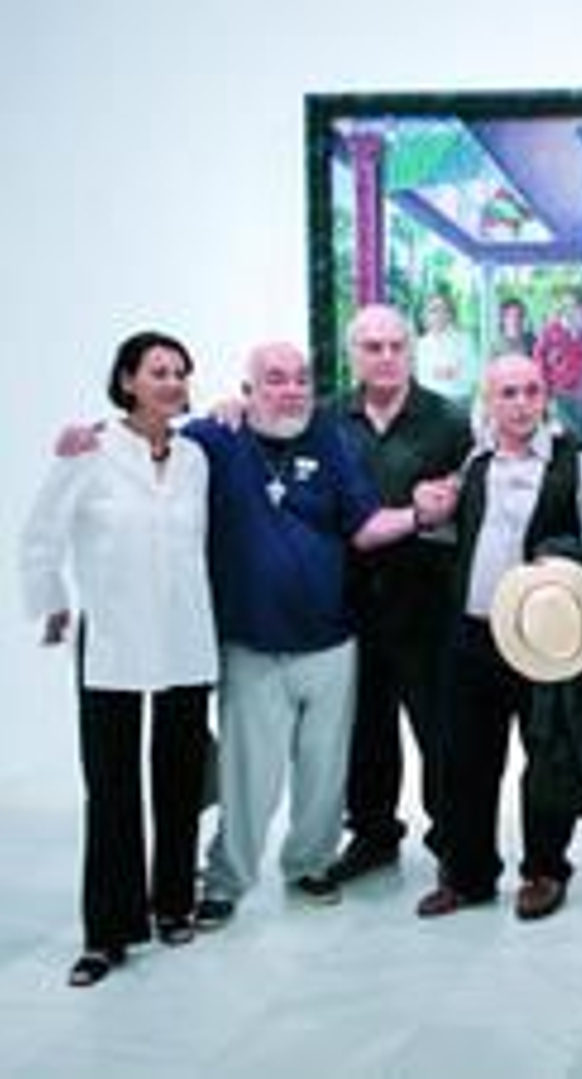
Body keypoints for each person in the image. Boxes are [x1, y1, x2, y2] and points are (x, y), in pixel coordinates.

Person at [188, 343, 438, 929]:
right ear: (247, 390)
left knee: (326, 771)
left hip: (330, 639)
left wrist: (419, 515)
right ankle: (226, 880)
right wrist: (94, 437)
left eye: (302, 379)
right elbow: (150, 444)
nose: (292, 390)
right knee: (248, 775)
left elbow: (365, 527)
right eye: (275, 380)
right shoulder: (216, 438)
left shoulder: (329, 439)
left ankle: (309, 865)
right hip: (251, 642)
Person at [20, 332, 217, 986]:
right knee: (112, 788)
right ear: (128, 380)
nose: (173, 382)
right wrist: (52, 604)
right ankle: (108, 932)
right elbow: (41, 534)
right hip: (113, 636)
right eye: (158, 371)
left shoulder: (194, 458)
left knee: (180, 777)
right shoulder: (90, 451)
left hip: (184, 632)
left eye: (180, 372)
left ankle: (173, 904)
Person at [414, 354, 582, 921]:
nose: (521, 404)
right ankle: (467, 875)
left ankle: (545, 871)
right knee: (464, 761)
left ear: (546, 398)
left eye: (531, 391)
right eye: (508, 393)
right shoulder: (473, 462)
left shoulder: (578, 466)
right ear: (488, 402)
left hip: (546, 642)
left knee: (548, 758)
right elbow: (450, 533)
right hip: (472, 636)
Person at [325, 305, 474, 886]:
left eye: (396, 346)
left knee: (441, 730)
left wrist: (450, 499)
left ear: (412, 351)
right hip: (350, 600)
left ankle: (454, 842)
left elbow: (473, 500)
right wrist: (231, 409)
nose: (386, 357)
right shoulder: (326, 419)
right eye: (372, 347)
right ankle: (372, 835)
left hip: (428, 602)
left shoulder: (448, 421)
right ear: (352, 355)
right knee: (364, 729)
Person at [535, 285, 582, 437]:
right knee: (569, 434)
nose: (570, 310)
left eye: (575, 306)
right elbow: (540, 362)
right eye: (567, 306)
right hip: (561, 393)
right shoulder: (550, 331)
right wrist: (545, 392)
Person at [414, 291, 478, 404]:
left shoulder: (464, 340)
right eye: (433, 310)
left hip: (459, 401)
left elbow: (472, 375)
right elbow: (419, 379)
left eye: (444, 310)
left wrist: (449, 374)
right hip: (429, 403)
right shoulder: (420, 345)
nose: (439, 315)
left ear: (450, 314)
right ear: (425, 315)